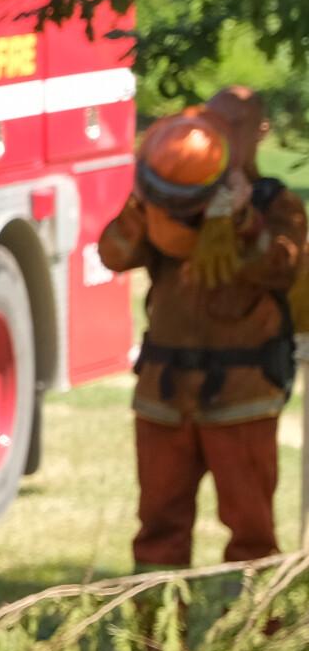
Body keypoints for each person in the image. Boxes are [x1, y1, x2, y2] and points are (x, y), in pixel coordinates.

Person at [98, 92, 302, 583]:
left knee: (251, 531)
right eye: (214, 122)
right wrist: (146, 204)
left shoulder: (277, 204)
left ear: (260, 132)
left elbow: (283, 267)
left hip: (241, 396)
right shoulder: (171, 198)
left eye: (235, 125)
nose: (221, 134)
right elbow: (113, 254)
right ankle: (154, 643)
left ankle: (252, 645)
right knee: (158, 528)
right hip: (165, 395)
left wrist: (240, 217)